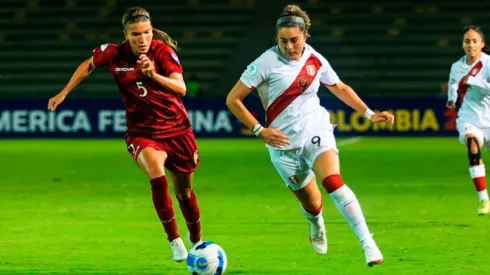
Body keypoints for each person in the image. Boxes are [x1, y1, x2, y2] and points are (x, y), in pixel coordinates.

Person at [226, 4, 394, 267]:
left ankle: (368, 243)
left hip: (315, 130)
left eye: (294, 40)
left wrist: (369, 113)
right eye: (283, 41)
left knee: (333, 182)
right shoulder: (264, 63)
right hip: (283, 144)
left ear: (305, 36)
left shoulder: (315, 59)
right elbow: (233, 99)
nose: (289, 46)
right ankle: (316, 223)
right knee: (313, 203)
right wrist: (260, 130)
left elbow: (339, 87)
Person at [47, 7, 203, 262]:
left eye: (147, 33)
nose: (143, 39)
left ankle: (196, 238)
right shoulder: (114, 53)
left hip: (177, 130)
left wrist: (153, 74)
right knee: (157, 175)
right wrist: (65, 91)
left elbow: (181, 88)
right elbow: (88, 65)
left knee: (184, 192)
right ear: (126, 35)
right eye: (136, 34)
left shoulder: (163, 52)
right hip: (142, 131)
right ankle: (174, 239)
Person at [447, 25, 490, 215]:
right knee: (473, 146)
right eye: (467, 41)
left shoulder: (488, 63)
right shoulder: (457, 66)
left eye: (474, 41)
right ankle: (483, 199)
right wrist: (451, 99)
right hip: (469, 117)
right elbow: (453, 83)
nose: (470, 45)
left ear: (482, 44)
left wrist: (475, 82)